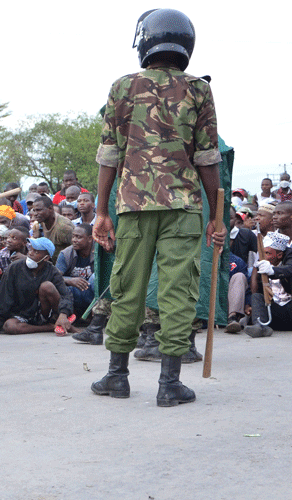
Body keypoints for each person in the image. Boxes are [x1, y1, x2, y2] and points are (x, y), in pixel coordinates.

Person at [91, 9, 224, 407]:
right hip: (183, 207)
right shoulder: (199, 90)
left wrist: (101, 211)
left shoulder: (122, 87)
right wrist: (217, 216)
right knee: (177, 292)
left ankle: (117, 376)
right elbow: (207, 158)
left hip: (132, 206)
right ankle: (169, 384)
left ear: (144, 41)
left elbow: (108, 155)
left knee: (127, 287)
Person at [0, 237, 75, 334]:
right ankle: (49, 327)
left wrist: (63, 314)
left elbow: (66, 295)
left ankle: (57, 320)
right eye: (31, 249)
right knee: (10, 326)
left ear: (46, 258)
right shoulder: (15, 267)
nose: (30, 253)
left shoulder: (52, 270)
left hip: (44, 313)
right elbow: (5, 295)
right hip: (22, 314)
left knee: (47, 286)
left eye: (36, 252)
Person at [245, 232, 291, 337]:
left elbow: (289, 269)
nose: (264, 256)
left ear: (279, 255)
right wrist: (256, 271)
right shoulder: (262, 262)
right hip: (274, 311)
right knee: (257, 297)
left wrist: (273, 270)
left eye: (268, 253)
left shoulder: (289, 256)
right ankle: (260, 326)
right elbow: (254, 289)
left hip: (289, 309)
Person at [56, 224, 95, 318]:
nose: (74, 240)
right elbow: (55, 277)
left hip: (93, 292)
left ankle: (98, 314)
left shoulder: (98, 252)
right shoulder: (66, 254)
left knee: (95, 278)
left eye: (78, 237)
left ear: (90, 239)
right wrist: (70, 281)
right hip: (73, 292)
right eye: (73, 236)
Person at [29, 195, 74, 262]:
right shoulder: (43, 220)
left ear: (50, 209)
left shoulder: (63, 227)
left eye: (38, 210)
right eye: (34, 210)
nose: (35, 214)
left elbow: (77, 249)